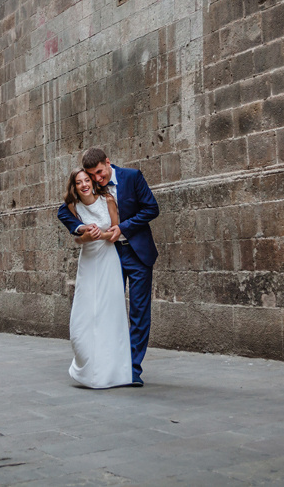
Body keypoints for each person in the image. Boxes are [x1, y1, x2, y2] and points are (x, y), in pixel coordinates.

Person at [58, 147, 159, 387]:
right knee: (106, 311)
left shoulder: (132, 176)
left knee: (139, 311)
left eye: (100, 173)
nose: (97, 179)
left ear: (108, 162)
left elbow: (151, 208)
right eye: (92, 175)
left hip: (136, 253)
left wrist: (123, 227)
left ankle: (132, 370)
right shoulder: (92, 186)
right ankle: (110, 364)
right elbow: (66, 209)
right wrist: (80, 229)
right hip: (109, 255)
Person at [61, 168, 132, 389]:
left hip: (108, 259)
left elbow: (115, 233)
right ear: (74, 186)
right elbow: (77, 241)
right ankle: (86, 368)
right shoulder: (73, 208)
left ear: (92, 182)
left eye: (86, 180)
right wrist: (85, 237)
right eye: (79, 182)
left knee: (108, 314)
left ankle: (112, 372)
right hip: (88, 262)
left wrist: (98, 235)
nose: (84, 184)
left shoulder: (107, 200)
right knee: (84, 315)